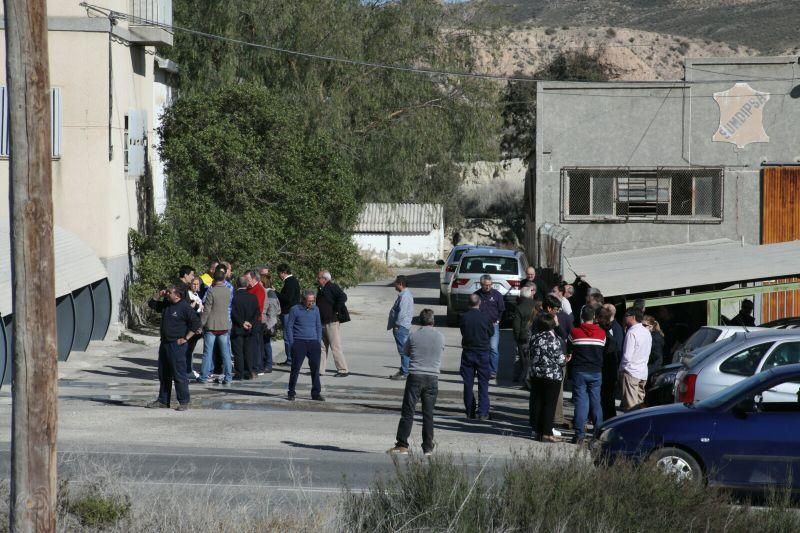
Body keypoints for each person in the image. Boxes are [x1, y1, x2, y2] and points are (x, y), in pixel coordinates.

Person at [387, 309, 445, 456]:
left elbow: (406, 353)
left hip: (416, 375)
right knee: (428, 414)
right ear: (433, 321)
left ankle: (402, 444)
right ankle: (428, 447)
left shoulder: (413, 336)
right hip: (432, 377)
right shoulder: (440, 337)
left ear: (419, 321)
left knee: (408, 411)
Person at [146, 285, 200, 411]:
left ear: (177, 295)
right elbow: (151, 304)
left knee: (179, 373)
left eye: (169, 292)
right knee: (163, 373)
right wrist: (159, 294)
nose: (167, 293)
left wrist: (186, 338)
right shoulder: (166, 304)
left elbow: (196, 323)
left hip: (177, 345)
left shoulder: (184, 307)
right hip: (164, 343)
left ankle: (184, 402)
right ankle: (163, 400)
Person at [567, 306, 606, 444]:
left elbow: (569, 350)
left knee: (581, 402)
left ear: (581, 316)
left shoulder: (575, 332)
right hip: (596, 371)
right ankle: (598, 433)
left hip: (580, 371)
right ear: (594, 317)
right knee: (596, 402)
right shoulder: (602, 333)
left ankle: (579, 435)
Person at [528, 313, 568, 442]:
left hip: (537, 375)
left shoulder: (534, 338)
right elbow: (560, 360)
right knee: (549, 405)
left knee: (538, 403)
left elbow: (529, 355)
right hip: (552, 376)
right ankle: (547, 433)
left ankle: (538, 431)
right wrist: (566, 359)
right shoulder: (553, 340)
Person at [459, 294, 494, 420]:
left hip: (468, 351)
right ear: (479, 303)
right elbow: (491, 332)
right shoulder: (485, 317)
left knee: (468, 383)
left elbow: (463, 331)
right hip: (483, 352)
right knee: (483, 383)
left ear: (468, 304)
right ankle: (483, 412)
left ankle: (470, 411)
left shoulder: (464, 317)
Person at [286, 290, 324, 401]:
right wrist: (292, 343)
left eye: (313, 301)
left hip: (313, 343)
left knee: (315, 369)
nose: (311, 303)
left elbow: (318, 326)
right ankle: (291, 392)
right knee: (295, 368)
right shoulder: (295, 309)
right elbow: (289, 327)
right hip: (299, 342)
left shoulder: (316, 309)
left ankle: (316, 393)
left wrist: (317, 341)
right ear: (303, 299)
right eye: (309, 301)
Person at [197, 266, 233, 384]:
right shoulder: (228, 290)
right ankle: (228, 377)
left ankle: (203, 376)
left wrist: (200, 324)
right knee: (226, 352)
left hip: (211, 325)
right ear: (223, 278)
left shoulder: (211, 291)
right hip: (224, 325)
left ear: (214, 279)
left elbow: (206, 310)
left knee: (208, 352)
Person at [317, 270, 349, 377]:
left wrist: (336, 309)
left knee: (335, 346)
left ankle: (343, 370)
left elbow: (343, 297)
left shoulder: (332, 286)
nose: (317, 279)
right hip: (322, 322)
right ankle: (320, 370)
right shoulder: (321, 288)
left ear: (325, 279)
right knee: (321, 347)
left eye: (319, 277)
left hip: (331, 322)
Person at [619, 307, 652, 411]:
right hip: (643, 372)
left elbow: (627, 356)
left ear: (632, 317)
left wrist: (621, 369)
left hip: (631, 372)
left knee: (631, 407)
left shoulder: (632, 332)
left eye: (626, 316)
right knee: (640, 407)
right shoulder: (647, 332)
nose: (624, 318)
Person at [474, 274, 505, 380]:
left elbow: (501, 310)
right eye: (485, 285)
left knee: (493, 348)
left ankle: (493, 371)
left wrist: (497, 320)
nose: (487, 287)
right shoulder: (476, 295)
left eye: (489, 285)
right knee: (481, 348)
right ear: (481, 284)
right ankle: (481, 369)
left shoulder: (497, 295)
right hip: (480, 327)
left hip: (493, 325)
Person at [598, 304, 624, 421]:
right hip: (609, 369)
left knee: (607, 397)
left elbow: (617, 351)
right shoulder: (612, 330)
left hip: (608, 370)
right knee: (607, 397)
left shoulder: (614, 330)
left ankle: (608, 420)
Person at [231, 275, 259, 380]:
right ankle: (248, 372)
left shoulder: (234, 297)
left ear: (236, 284)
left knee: (238, 352)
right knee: (248, 351)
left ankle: (239, 373)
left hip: (238, 328)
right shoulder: (253, 297)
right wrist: (250, 322)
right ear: (247, 284)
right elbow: (256, 312)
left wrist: (242, 322)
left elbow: (233, 313)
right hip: (249, 328)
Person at [387, 275, 414, 380]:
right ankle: (404, 369)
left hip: (401, 326)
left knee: (403, 350)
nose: (394, 284)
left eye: (396, 283)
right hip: (402, 326)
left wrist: (397, 325)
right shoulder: (404, 294)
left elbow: (402, 313)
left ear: (401, 284)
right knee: (404, 349)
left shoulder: (404, 296)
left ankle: (405, 372)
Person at [512, 286, 538, 386]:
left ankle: (524, 379)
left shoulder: (519, 308)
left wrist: (516, 337)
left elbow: (516, 325)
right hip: (535, 334)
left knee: (523, 358)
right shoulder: (536, 305)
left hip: (523, 337)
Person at [277, 264, 301, 366]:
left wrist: (276, 293)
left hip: (288, 312)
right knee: (291, 336)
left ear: (283, 273)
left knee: (288, 336)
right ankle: (291, 358)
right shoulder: (293, 281)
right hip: (292, 311)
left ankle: (291, 359)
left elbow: (288, 298)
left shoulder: (290, 282)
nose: (278, 275)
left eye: (279, 273)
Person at [245, 270, 267, 374]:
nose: (247, 282)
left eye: (248, 280)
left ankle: (258, 366)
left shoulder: (259, 289)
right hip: (249, 320)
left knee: (256, 345)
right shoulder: (249, 288)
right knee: (252, 344)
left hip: (255, 321)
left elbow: (257, 307)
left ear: (254, 279)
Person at [260, 273, 281, 373]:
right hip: (267, 322)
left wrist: (268, 325)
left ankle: (268, 365)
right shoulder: (268, 293)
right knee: (264, 343)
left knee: (266, 344)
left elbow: (273, 311)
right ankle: (265, 363)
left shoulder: (269, 294)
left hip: (268, 323)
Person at [184, 278, 204, 379]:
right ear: (190, 285)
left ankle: (189, 369)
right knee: (188, 349)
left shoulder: (197, 295)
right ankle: (187, 370)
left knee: (190, 349)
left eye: (197, 284)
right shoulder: (188, 295)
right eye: (194, 284)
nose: (196, 286)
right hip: (190, 326)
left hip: (197, 326)